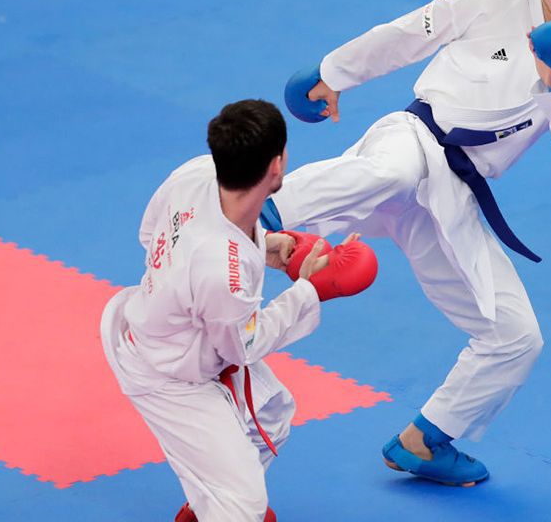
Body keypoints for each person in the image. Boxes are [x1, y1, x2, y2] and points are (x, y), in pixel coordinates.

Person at [264, 0, 551, 487]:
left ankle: (426, 442)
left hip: (457, 195)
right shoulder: (488, 2)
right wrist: (333, 73)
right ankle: (265, 211)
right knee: (393, 172)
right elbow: (405, 34)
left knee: (516, 337)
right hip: (415, 139)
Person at [100, 99, 376, 521]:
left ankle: (208, 508)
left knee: (271, 415)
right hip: (169, 374)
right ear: (277, 166)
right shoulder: (221, 270)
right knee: (247, 506)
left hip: (166, 328)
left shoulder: (195, 173)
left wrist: (263, 246)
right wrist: (311, 291)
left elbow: (149, 234)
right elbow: (242, 347)